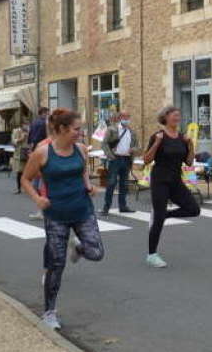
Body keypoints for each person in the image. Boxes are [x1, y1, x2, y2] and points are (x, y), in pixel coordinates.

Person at [21, 108, 103, 330]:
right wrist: (37, 199)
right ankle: (49, 312)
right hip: (56, 215)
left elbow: (82, 170)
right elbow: (26, 179)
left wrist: (88, 185)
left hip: (82, 210)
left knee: (96, 253)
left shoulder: (81, 149)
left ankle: (77, 248)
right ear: (61, 129)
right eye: (76, 129)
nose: (80, 133)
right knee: (56, 265)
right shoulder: (43, 153)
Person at [143, 106, 201, 268]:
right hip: (160, 180)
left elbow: (189, 162)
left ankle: (165, 215)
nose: (177, 117)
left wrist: (190, 146)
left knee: (194, 209)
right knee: (158, 220)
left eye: (178, 115)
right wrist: (157, 143)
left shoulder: (182, 138)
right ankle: (152, 254)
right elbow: (146, 159)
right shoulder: (157, 136)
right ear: (165, 117)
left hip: (176, 180)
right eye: (174, 115)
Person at [100, 111, 140, 216]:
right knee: (111, 183)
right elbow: (104, 144)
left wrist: (133, 149)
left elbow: (137, 146)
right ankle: (106, 207)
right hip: (115, 159)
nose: (127, 119)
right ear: (120, 117)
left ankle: (123, 206)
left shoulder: (131, 132)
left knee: (124, 184)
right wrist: (111, 156)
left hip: (127, 159)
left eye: (128, 117)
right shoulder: (112, 129)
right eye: (125, 117)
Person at [11, 122, 30, 194]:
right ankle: (18, 188)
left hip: (27, 153)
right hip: (19, 154)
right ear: (22, 125)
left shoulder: (28, 131)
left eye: (27, 125)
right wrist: (21, 138)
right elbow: (13, 142)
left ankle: (26, 188)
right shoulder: (16, 131)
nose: (27, 126)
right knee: (19, 172)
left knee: (27, 172)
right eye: (25, 124)